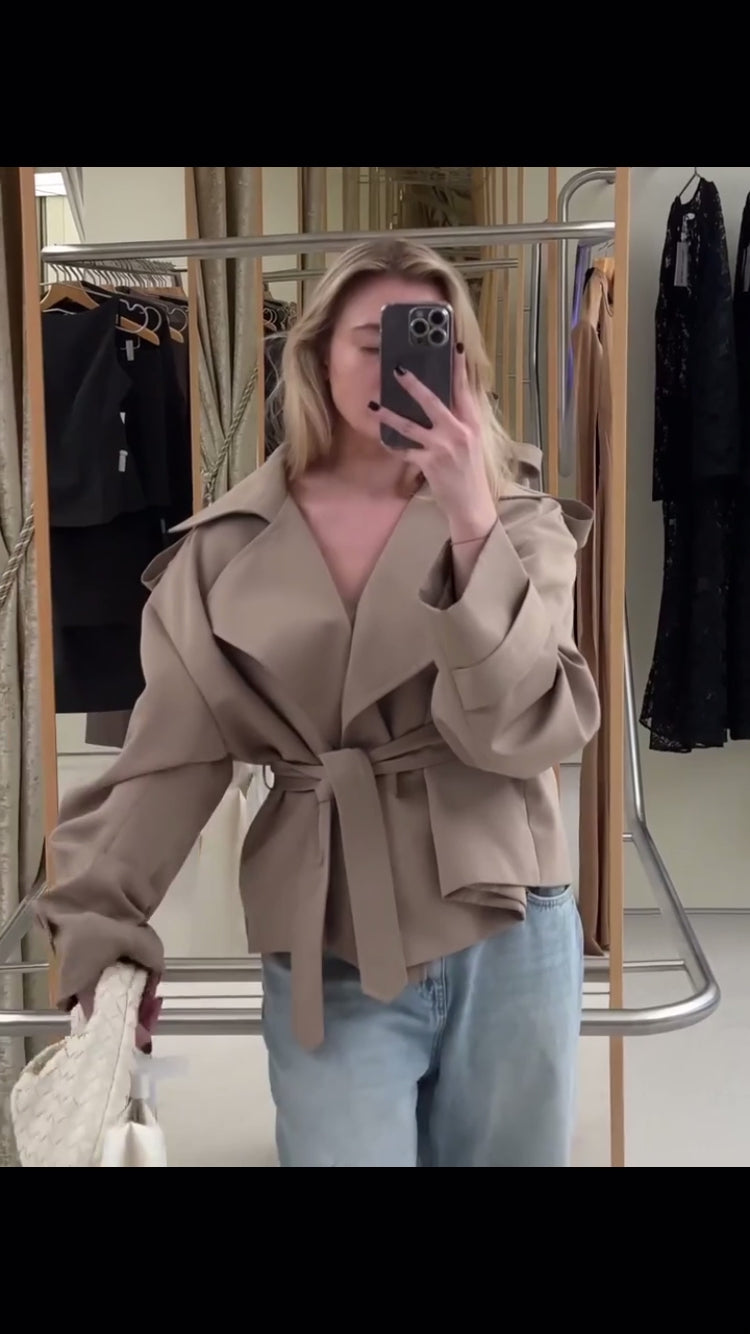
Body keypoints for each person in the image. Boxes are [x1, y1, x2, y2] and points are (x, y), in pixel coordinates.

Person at [36, 237, 600, 1168]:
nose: (399, 367)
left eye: (431, 340)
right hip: (329, 921)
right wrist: (101, 923)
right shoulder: (223, 551)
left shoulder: (522, 526)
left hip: (507, 914)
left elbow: (519, 731)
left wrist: (471, 522)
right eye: (373, 343)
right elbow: (167, 761)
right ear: (316, 356)